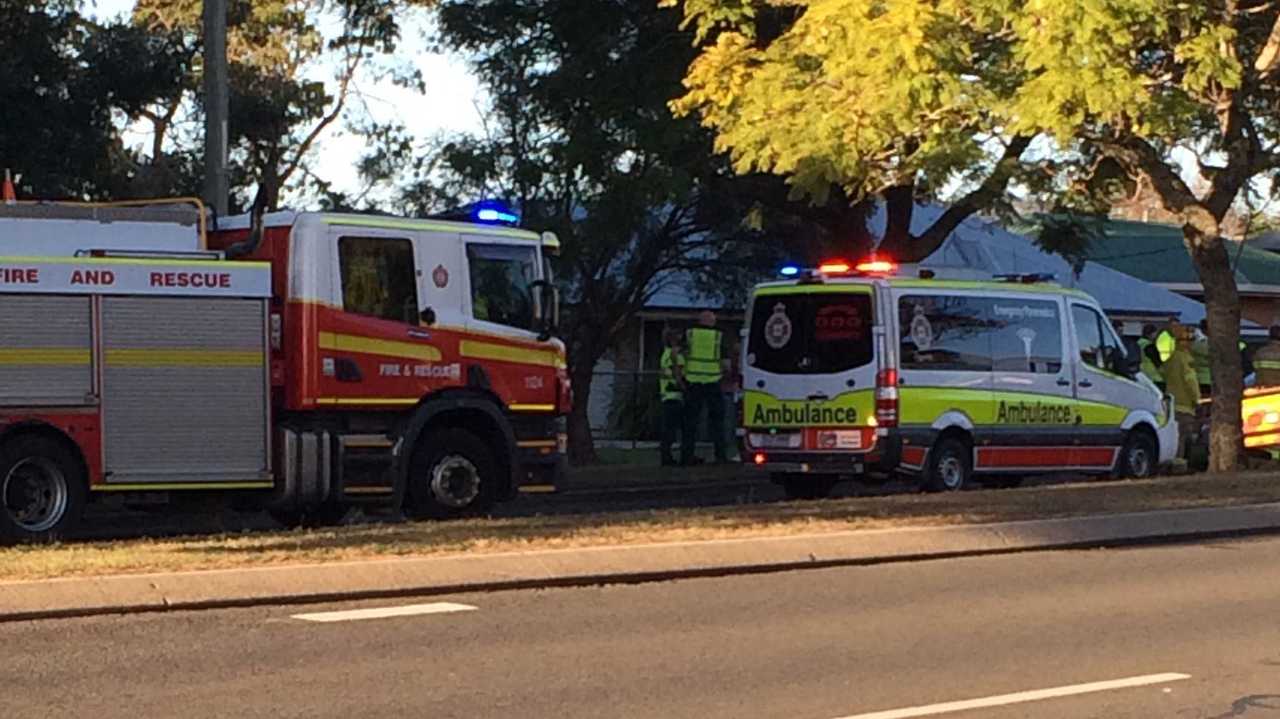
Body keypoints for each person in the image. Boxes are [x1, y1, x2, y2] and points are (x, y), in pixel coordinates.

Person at [682, 310, 729, 465]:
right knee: (717, 421)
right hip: (713, 381)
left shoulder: (690, 334)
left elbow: (681, 355)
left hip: (692, 381)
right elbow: (725, 362)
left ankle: (686, 456)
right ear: (712, 321)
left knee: (690, 422)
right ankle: (720, 456)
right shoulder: (719, 336)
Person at [1164, 324, 1201, 460]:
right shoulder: (1186, 359)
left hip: (1172, 404)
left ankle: (1173, 462)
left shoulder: (1171, 358)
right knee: (1182, 437)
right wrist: (1197, 400)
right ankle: (1179, 465)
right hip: (1185, 406)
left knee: (1174, 437)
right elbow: (1191, 382)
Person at [657, 328, 687, 466]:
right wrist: (684, 388)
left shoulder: (665, 354)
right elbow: (678, 374)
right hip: (674, 396)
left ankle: (666, 456)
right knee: (676, 429)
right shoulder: (675, 356)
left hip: (667, 396)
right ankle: (671, 458)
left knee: (668, 430)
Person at [1137, 323, 1164, 388]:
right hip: (1153, 376)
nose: (1156, 336)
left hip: (1142, 375)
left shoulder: (1138, 343)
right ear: (1150, 334)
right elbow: (1156, 359)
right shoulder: (1148, 345)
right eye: (1154, 334)